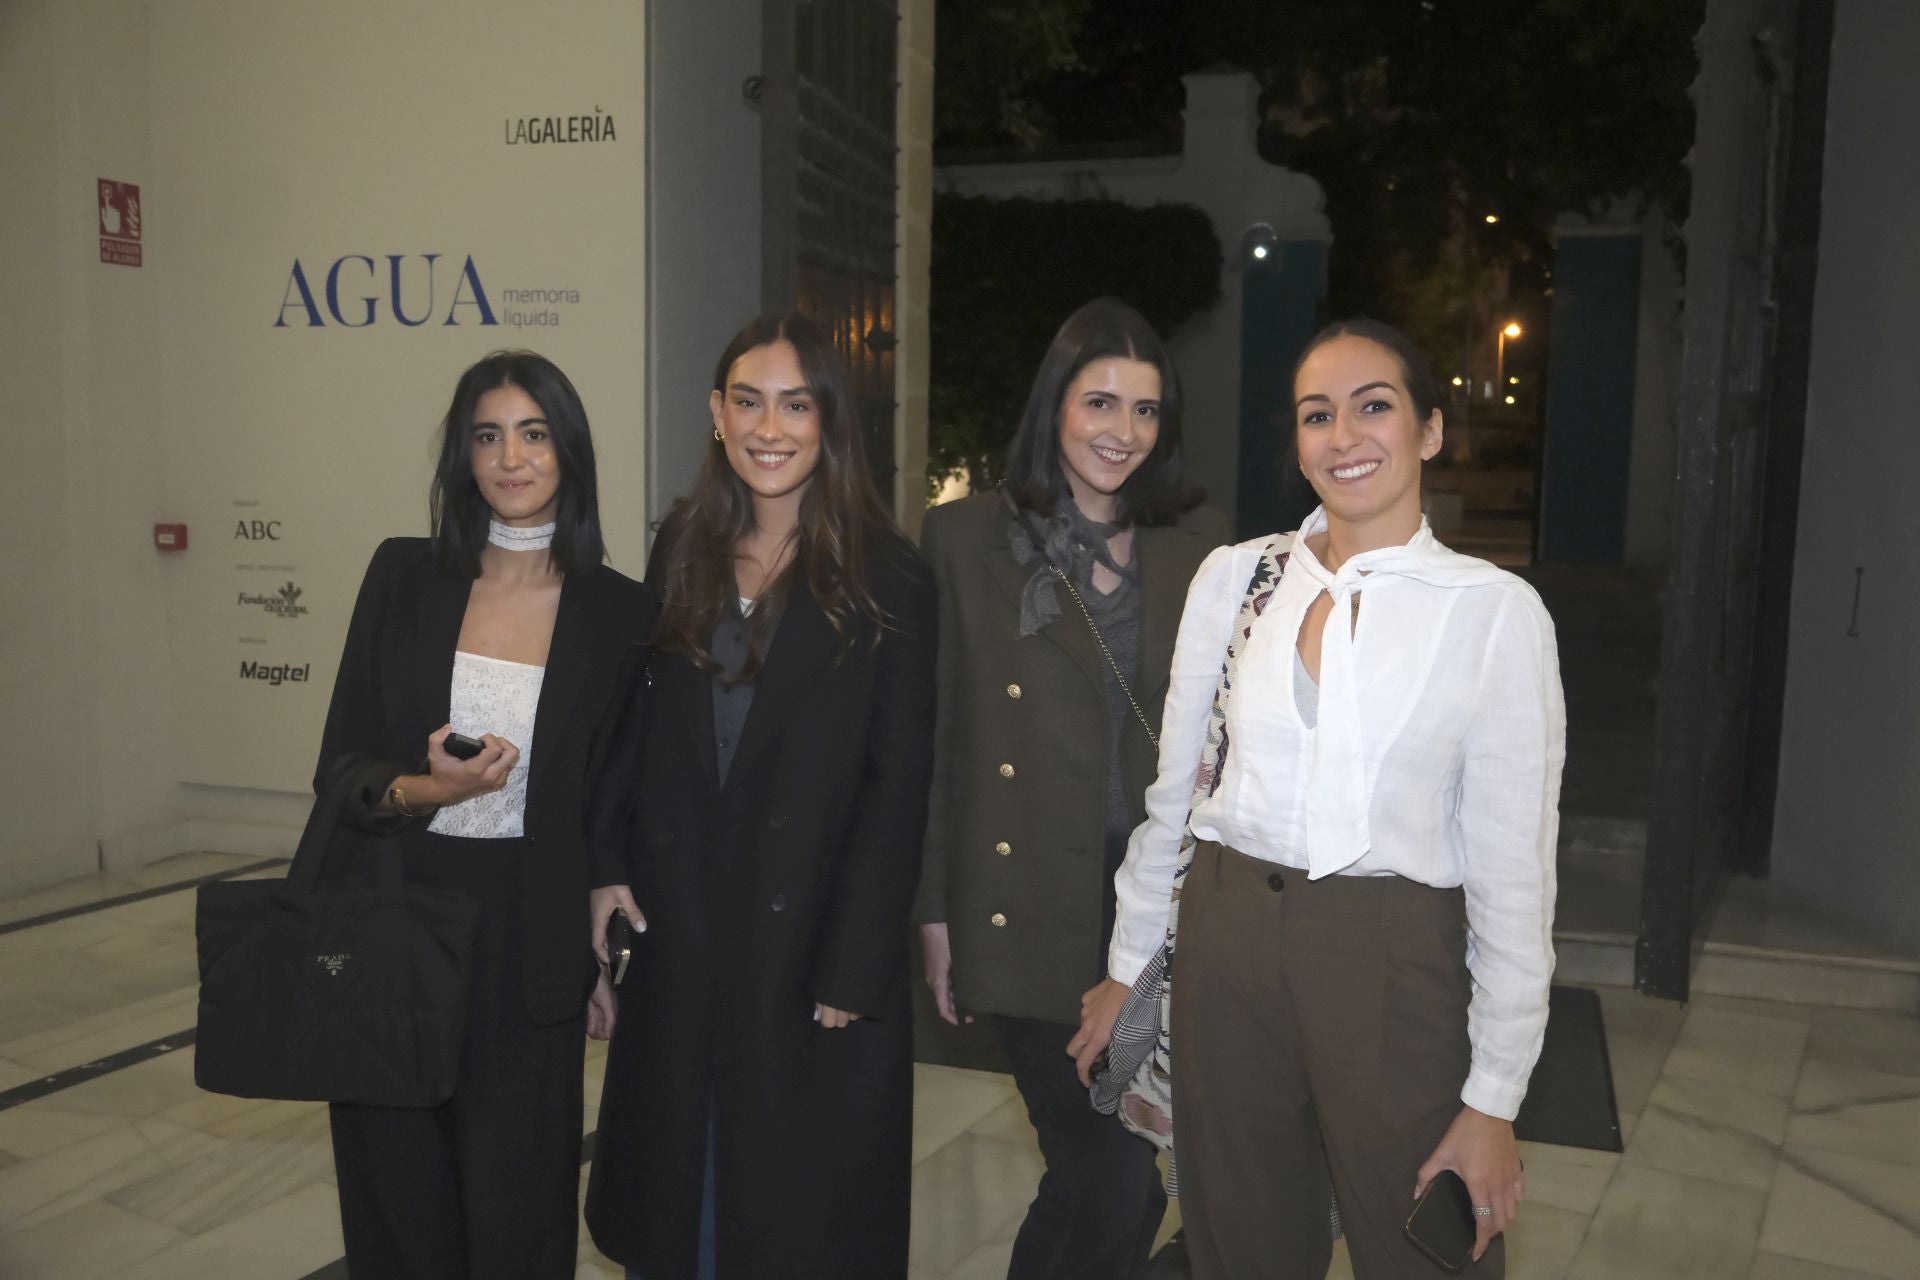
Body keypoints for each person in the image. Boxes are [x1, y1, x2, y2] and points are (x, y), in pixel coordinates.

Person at [1073, 318, 1565, 1278]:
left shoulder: (1492, 613)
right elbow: (1176, 788)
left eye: (1372, 407)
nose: (1344, 437)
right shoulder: (1237, 578)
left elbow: (1515, 874)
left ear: (1428, 430)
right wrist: (1130, 961)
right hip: (1225, 944)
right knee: (1241, 1242)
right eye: (1316, 415)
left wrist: (1495, 1097)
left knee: (1422, 1248)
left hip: (1391, 959)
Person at [585, 311, 937, 1280]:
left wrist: (855, 963)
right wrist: (606, 864)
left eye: (797, 403)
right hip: (684, 928)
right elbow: (638, 729)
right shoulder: (680, 546)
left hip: (809, 944)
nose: (769, 426)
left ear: (831, 421)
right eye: (748, 401)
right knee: (677, 1193)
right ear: (715, 412)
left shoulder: (890, 577)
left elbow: (896, 784)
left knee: (791, 1215)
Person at [316, 350, 653, 1278]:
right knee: (398, 1195)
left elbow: (615, 800)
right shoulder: (402, 577)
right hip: (398, 919)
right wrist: (427, 790)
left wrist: (600, 947)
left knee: (518, 1202)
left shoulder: (622, 614)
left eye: (535, 434)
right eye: (488, 435)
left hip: (529, 934)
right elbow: (339, 765)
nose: (512, 457)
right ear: (463, 456)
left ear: (570, 454)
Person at [915, 297, 1227, 1278]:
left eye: (1144, 411)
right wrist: (933, 914)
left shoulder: (1197, 543)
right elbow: (935, 738)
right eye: (1099, 402)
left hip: (1153, 909)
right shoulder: (964, 539)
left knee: (1115, 1177)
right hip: (1021, 903)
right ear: (1055, 406)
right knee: (1110, 1177)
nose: (1120, 433)